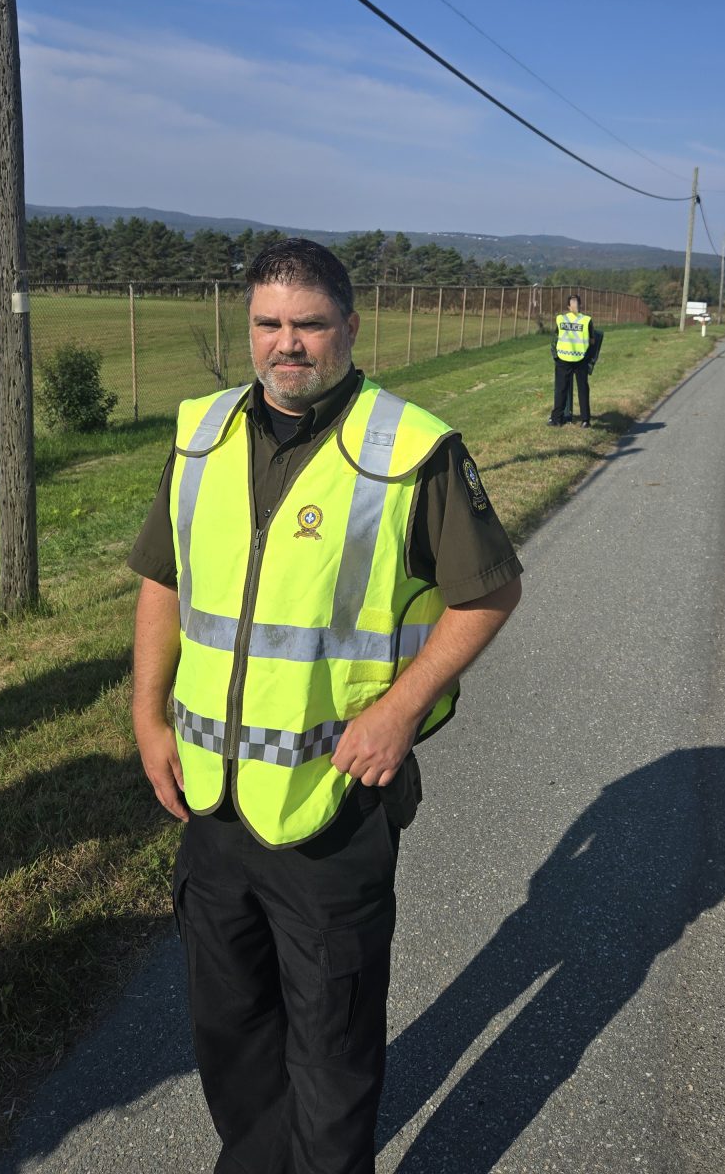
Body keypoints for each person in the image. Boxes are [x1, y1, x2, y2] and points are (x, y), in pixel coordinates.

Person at [128, 238, 522, 1174]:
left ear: (350, 327)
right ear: (249, 329)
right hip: (212, 805)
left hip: (332, 810)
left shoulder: (409, 448)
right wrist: (147, 719)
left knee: (333, 1051)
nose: (287, 344)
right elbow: (162, 584)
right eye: (269, 323)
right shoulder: (202, 435)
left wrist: (399, 710)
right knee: (232, 1037)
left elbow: (490, 593)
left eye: (309, 325)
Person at [548, 293, 597, 427]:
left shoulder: (561, 319)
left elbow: (557, 336)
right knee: (582, 389)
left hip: (563, 357)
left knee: (561, 389)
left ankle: (556, 419)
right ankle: (585, 420)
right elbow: (592, 341)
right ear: (580, 305)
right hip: (581, 358)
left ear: (568, 306)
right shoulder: (586, 320)